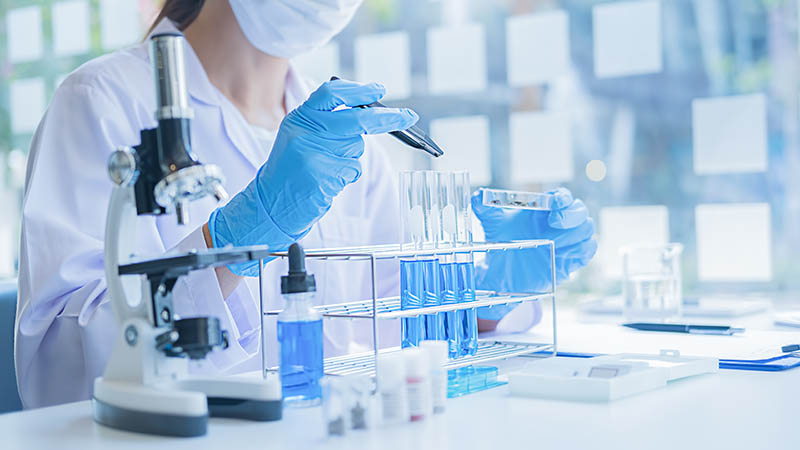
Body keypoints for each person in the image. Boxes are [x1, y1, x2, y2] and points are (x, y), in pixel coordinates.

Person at [14, 0, 597, 409]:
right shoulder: (101, 102)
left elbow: (400, 322)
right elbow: (61, 373)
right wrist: (234, 240)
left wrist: (492, 291)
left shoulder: (344, 138)